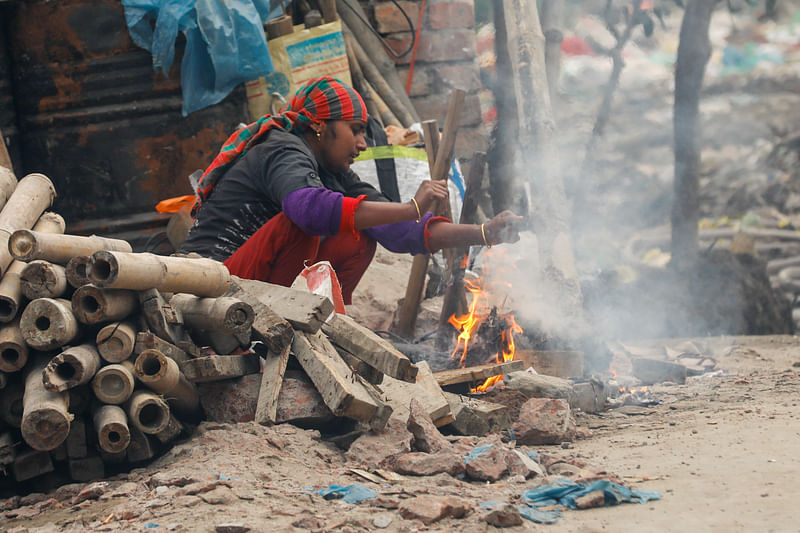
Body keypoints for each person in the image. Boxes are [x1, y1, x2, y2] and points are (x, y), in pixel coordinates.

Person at [181, 76, 522, 304]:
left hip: (246, 283)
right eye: (355, 130)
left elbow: (401, 232)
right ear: (318, 125)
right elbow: (308, 211)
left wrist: (485, 233)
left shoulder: (333, 173)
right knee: (302, 223)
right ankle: (280, 328)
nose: (362, 144)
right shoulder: (281, 149)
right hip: (210, 283)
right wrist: (410, 208)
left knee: (359, 235)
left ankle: (318, 329)